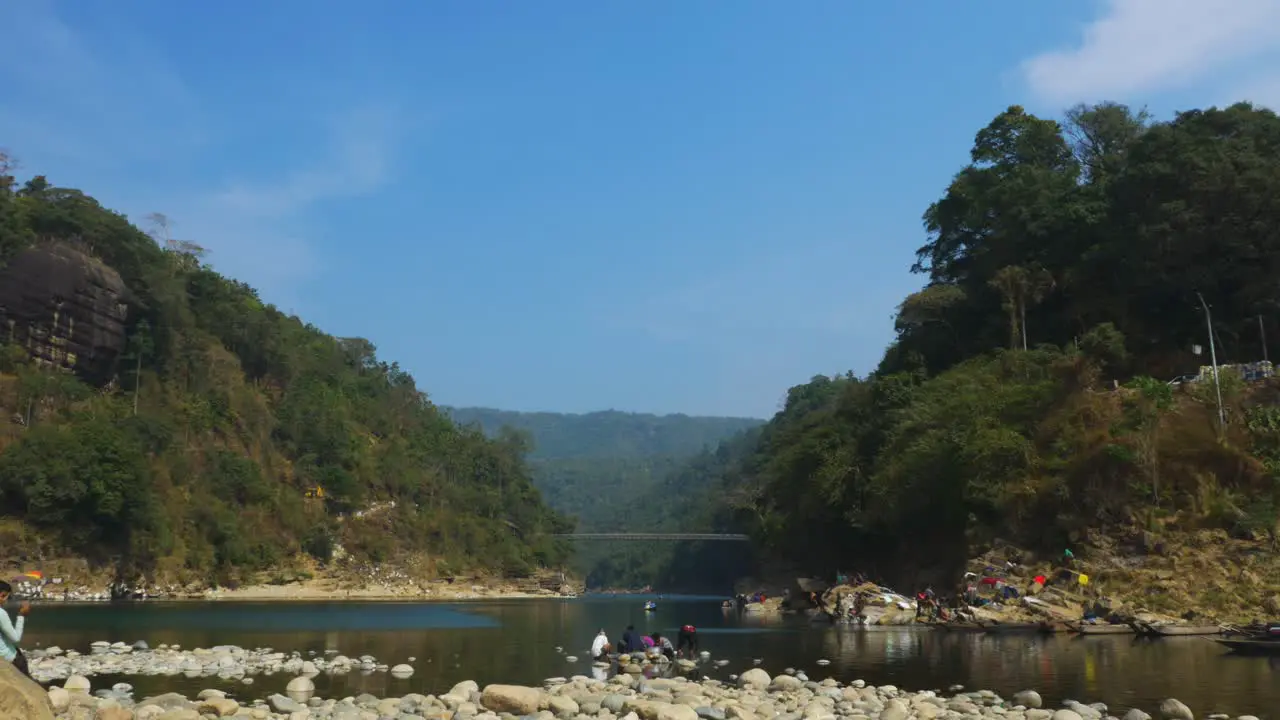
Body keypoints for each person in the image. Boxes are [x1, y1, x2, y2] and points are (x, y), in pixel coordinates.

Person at [0, 581, 31, 678]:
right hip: (9, 658)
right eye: (7, 597)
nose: (6, 600)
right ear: (2, 595)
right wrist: (21, 615)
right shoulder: (1, 613)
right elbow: (15, 638)